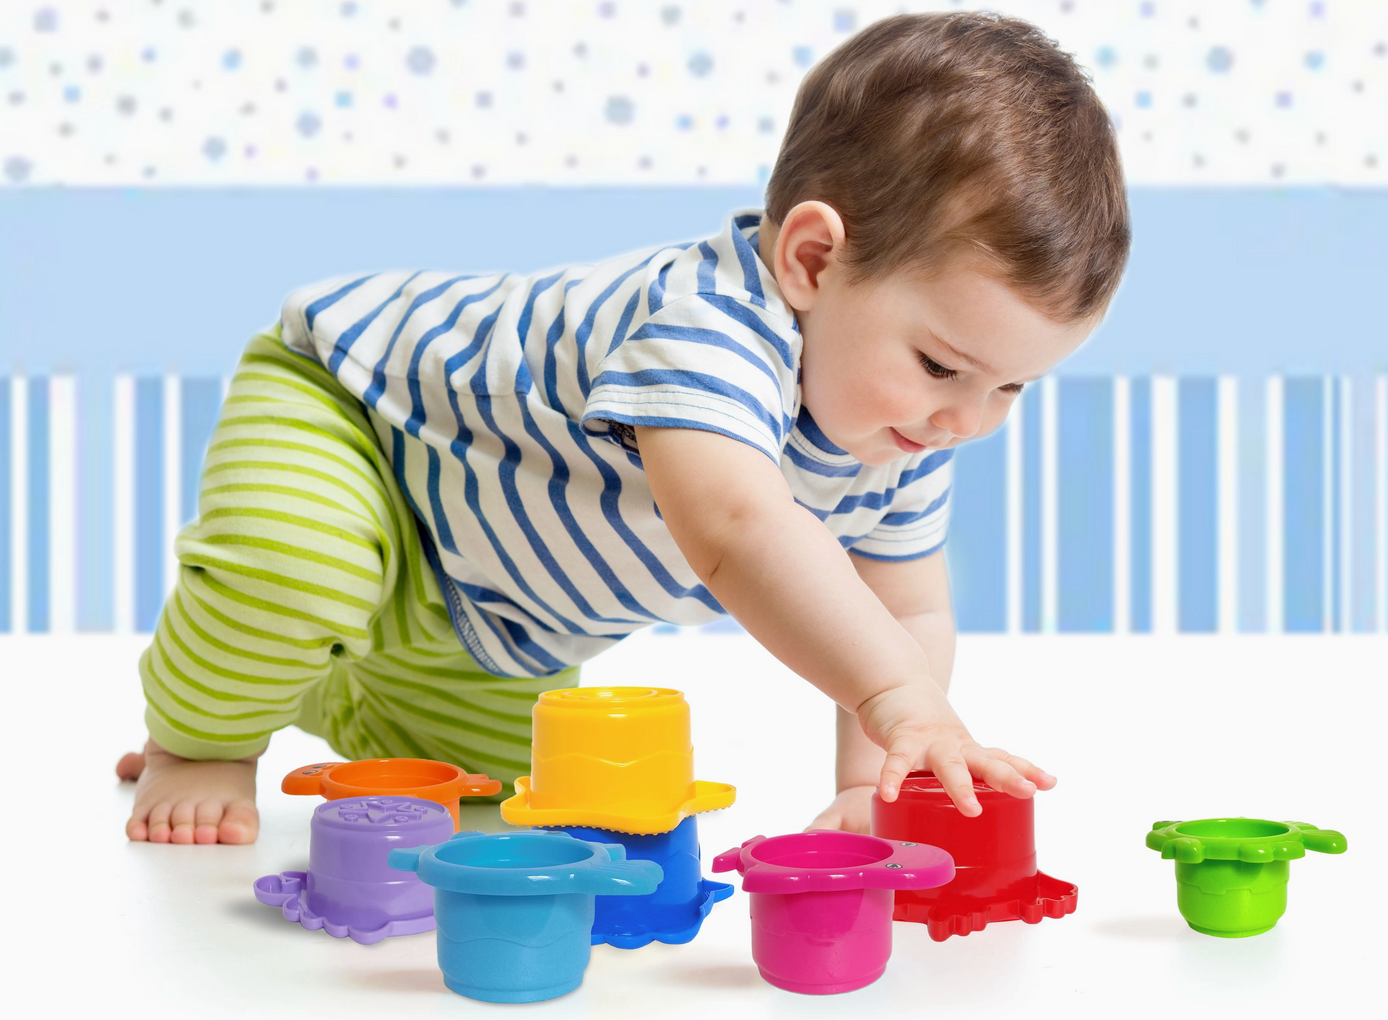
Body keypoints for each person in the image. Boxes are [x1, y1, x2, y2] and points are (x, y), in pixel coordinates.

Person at [117, 10, 1130, 845]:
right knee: (296, 567)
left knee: (498, 792)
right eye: (942, 366)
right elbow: (737, 528)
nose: (968, 420)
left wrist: (873, 780)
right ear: (812, 261)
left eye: (1012, 388)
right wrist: (901, 701)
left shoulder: (902, 431)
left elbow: (907, 614)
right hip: (361, 423)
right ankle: (202, 735)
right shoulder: (707, 324)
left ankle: (283, 674)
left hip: (492, 612)